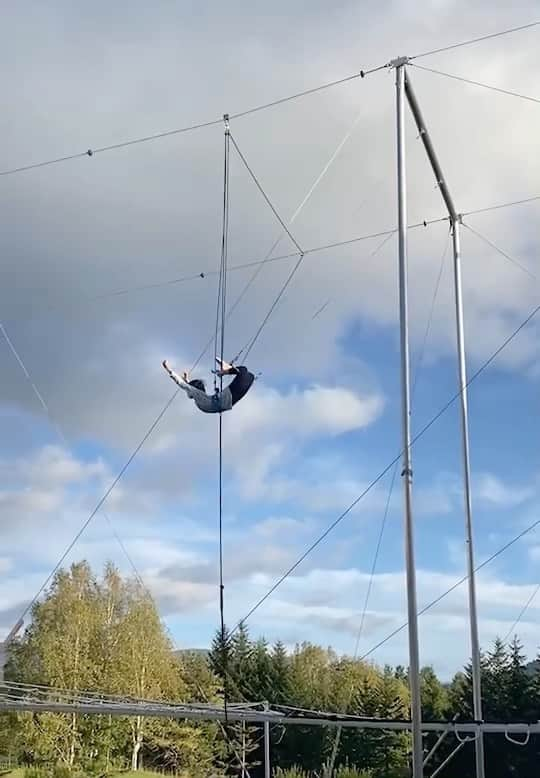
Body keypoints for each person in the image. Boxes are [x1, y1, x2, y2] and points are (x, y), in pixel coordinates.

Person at [162, 358, 255, 413]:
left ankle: (225, 370)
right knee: (243, 370)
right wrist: (168, 369)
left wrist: (186, 379)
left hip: (228, 403)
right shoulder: (197, 394)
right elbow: (183, 385)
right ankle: (224, 371)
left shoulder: (199, 398)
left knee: (250, 376)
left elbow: (188, 387)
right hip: (225, 400)